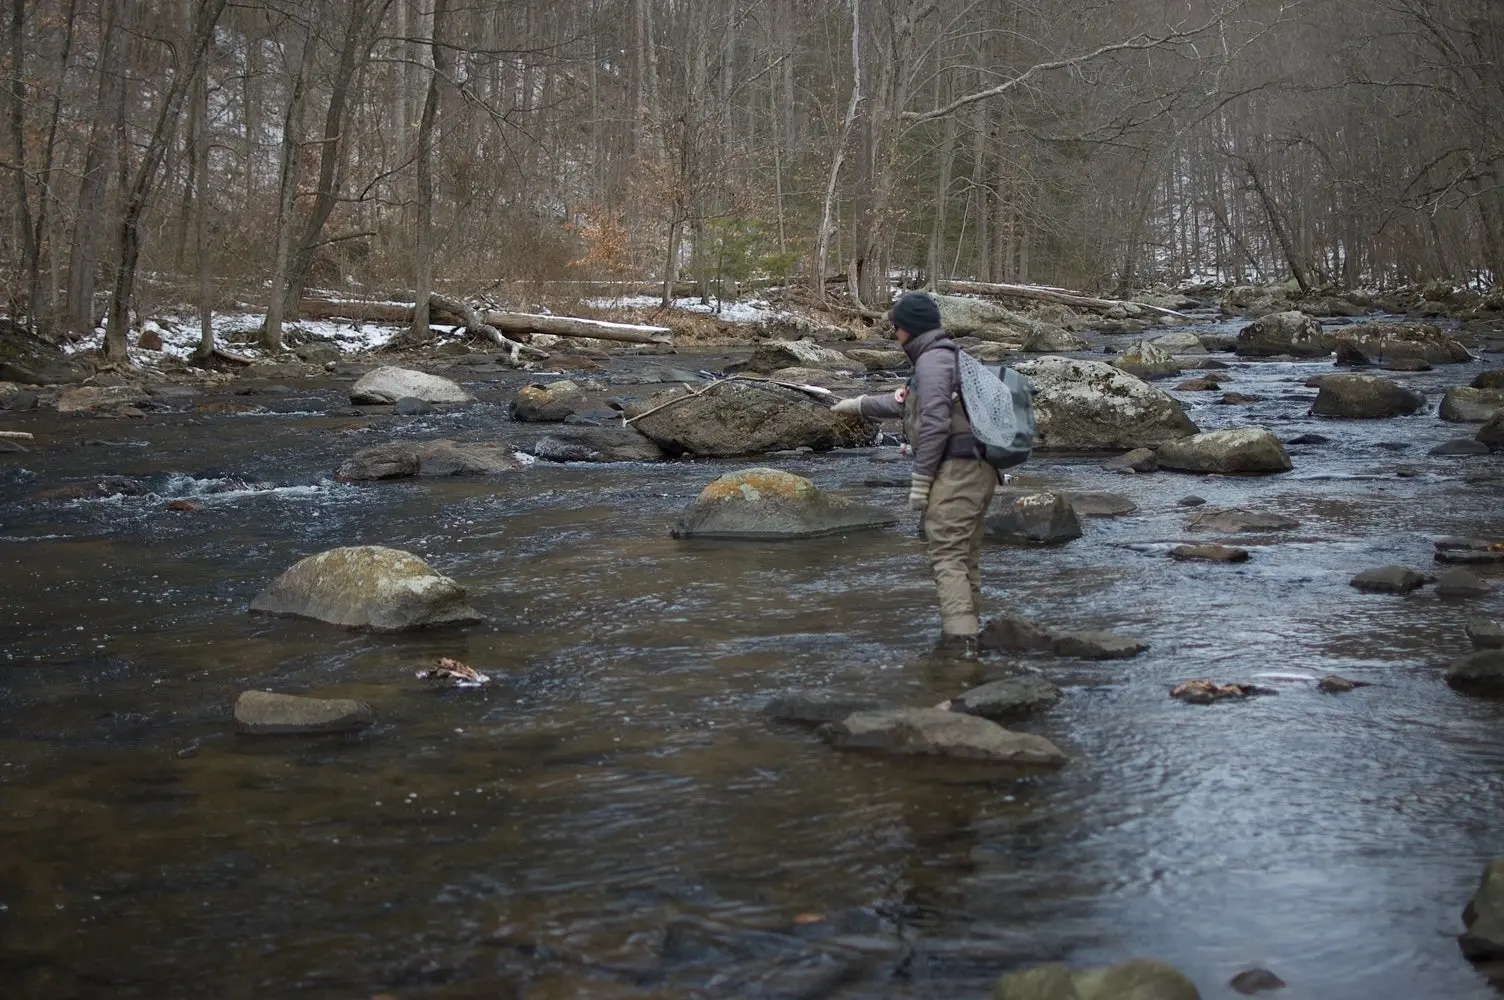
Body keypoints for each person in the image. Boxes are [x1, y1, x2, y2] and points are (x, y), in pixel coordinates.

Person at [833, 292, 998, 653]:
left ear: (909, 329)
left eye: (895, 328)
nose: (894, 335)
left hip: (959, 471)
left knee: (947, 555)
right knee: (965, 555)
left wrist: (921, 481)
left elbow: (937, 423)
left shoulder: (933, 363)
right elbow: (908, 405)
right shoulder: (946, 356)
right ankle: (974, 635)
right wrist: (855, 404)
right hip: (979, 468)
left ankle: (960, 648)